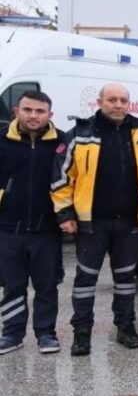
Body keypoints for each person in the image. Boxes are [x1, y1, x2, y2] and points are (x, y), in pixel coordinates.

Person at [52, 83, 138, 356]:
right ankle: (82, 333)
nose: (118, 105)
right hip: (91, 223)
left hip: (129, 222)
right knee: (86, 280)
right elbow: (61, 178)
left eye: (123, 100)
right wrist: (65, 214)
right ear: (99, 102)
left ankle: (126, 327)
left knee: (126, 279)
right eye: (112, 100)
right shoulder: (80, 134)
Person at [0, 91, 64, 355]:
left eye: (40, 111)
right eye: (28, 110)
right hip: (8, 228)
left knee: (47, 285)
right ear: (17, 111)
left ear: (50, 114)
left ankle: (46, 334)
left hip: (47, 230)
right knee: (12, 285)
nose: (33, 116)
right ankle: (12, 334)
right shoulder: (2, 140)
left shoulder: (62, 142)